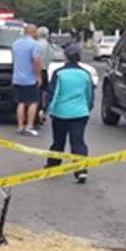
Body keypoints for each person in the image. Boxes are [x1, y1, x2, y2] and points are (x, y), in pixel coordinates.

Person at [44, 44, 94, 184]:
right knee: (78, 141)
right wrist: (88, 107)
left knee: (58, 141)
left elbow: (53, 93)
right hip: (80, 113)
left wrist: (47, 110)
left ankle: (53, 165)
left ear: (65, 57)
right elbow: (89, 93)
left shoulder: (59, 74)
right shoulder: (85, 74)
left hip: (61, 113)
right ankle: (81, 170)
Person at [10, 23, 42, 136]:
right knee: (33, 102)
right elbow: (36, 61)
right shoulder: (34, 45)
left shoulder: (15, 44)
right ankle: (29, 125)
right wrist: (38, 76)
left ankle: (20, 126)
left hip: (17, 78)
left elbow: (14, 60)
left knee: (21, 102)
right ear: (33, 32)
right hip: (30, 78)